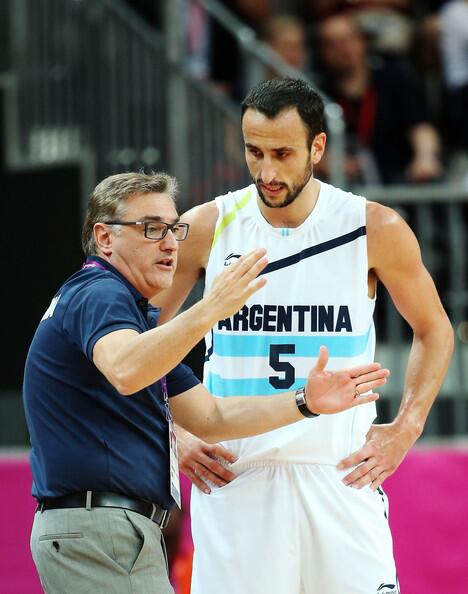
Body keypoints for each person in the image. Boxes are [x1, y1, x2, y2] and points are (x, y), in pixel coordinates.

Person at [22, 171, 387, 594]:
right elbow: (125, 369)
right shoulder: (99, 292)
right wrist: (211, 308)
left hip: (113, 527)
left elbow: (211, 416)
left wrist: (306, 401)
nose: (169, 244)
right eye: (151, 228)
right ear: (105, 237)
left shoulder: (136, 325)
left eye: (173, 229)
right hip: (98, 525)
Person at [154, 79, 453, 594]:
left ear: (317, 146)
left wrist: (406, 427)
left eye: (282, 154)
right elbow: (142, 342)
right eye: (254, 152)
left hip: (339, 472)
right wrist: (174, 432)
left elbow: (434, 329)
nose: (267, 172)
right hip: (237, 476)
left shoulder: (372, 226)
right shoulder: (206, 226)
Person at [315, 14, 443, 185]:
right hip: (344, 184)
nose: (341, 49)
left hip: (397, 179)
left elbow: (420, 127)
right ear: (322, 52)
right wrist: (323, 162)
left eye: (346, 40)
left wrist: (425, 157)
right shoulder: (316, 92)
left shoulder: (394, 80)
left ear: (363, 42)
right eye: (331, 44)